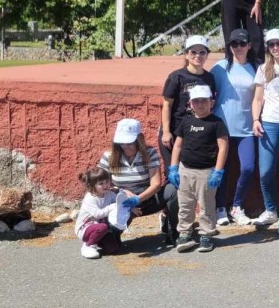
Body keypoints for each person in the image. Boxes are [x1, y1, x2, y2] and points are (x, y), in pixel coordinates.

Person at [168, 85, 228, 253]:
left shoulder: (216, 123)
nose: (200, 105)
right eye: (196, 101)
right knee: (185, 204)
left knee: (206, 205)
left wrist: (218, 170)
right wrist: (173, 167)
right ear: (190, 104)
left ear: (212, 102)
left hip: (207, 172)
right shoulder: (186, 122)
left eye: (204, 101)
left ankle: (206, 234)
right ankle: (185, 234)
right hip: (185, 170)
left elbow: (223, 147)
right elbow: (178, 145)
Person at [99, 118, 178, 245]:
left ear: (139, 139)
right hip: (121, 204)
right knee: (109, 245)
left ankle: (172, 228)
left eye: (129, 143)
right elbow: (99, 186)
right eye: (122, 143)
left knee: (172, 190)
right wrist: (121, 192)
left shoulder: (150, 153)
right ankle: (113, 232)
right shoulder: (108, 156)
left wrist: (137, 199)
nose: (125, 147)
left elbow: (156, 184)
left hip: (146, 198)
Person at [211, 28, 259, 226]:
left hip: (247, 128)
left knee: (247, 167)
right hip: (222, 127)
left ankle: (237, 206)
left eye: (241, 44)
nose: (238, 48)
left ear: (249, 45)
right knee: (221, 169)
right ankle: (220, 207)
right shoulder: (220, 67)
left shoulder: (257, 68)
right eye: (234, 44)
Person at [252, 29, 279, 233]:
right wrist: (255, 119)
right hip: (269, 122)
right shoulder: (264, 68)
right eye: (271, 45)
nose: (275, 47)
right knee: (266, 171)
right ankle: (271, 209)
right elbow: (258, 98)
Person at [160, 35, 217, 170]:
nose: (198, 55)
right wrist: (166, 131)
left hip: (195, 134)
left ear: (207, 55)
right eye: (193, 52)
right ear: (186, 54)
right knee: (173, 175)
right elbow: (167, 105)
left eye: (202, 52)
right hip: (175, 132)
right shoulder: (177, 77)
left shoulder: (210, 78)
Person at [75, 167, 121, 259]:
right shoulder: (90, 198)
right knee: (102, 227)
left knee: (113, 248)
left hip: (101, 227)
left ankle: (97, 240)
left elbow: (119, 202)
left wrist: (130, 208)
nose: (105, 185)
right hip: (85, 228)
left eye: (107, 182)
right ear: (92, 186)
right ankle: (88, 245)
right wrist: (112, 206)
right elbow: (97, 214)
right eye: (101, 184)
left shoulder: (109, 194)